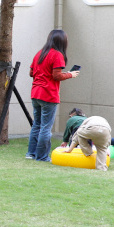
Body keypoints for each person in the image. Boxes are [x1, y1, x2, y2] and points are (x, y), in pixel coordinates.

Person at [26, 29, 79, 162]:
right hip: (48, 95)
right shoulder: (57, 55)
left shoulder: (39, 53)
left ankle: (31, 154)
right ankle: (42, 156)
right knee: (45, 127)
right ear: (62, 42)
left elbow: (31, 73)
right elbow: (56, 76)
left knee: (36, 125)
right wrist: (70, 74)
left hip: (35, 94)